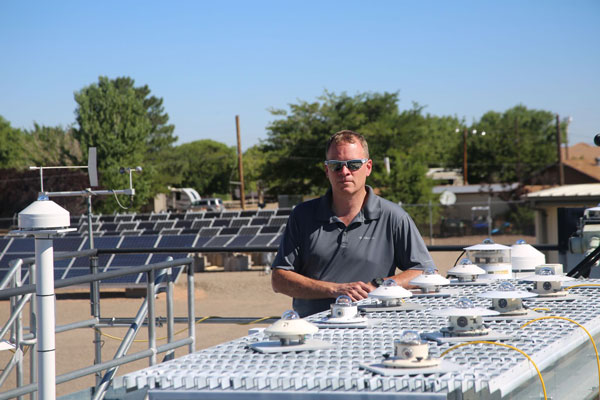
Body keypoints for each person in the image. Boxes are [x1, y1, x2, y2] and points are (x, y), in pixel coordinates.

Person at [271, 130, 435, 317]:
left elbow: (425, 272)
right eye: (336, 165)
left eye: (354, 164)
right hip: (313, 329)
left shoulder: (394, 217)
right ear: (327, 170)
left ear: (368, 167)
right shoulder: (302, 215)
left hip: (373, 327)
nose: (345, 172)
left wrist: (379, 285)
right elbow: (279, 279)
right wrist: (334, 290)